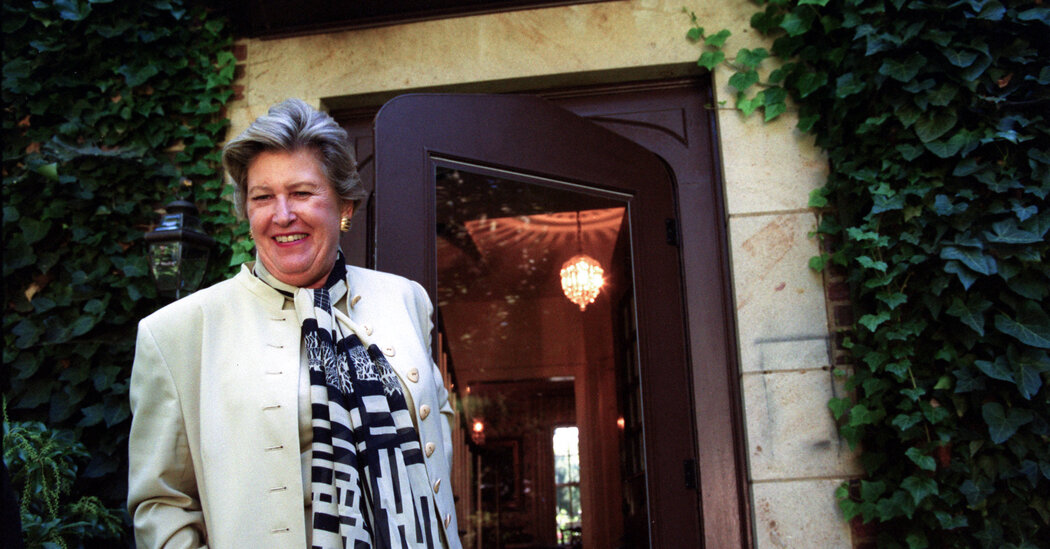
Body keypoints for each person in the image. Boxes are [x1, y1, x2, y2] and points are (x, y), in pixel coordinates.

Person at [127, 98, 461, 548]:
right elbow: (162, 504)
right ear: (247, 212)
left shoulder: (404, 300)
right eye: (262, 197)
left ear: (345, 204)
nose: (282, 215)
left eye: (302, 193)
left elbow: (436, 429)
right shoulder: (178, 333)